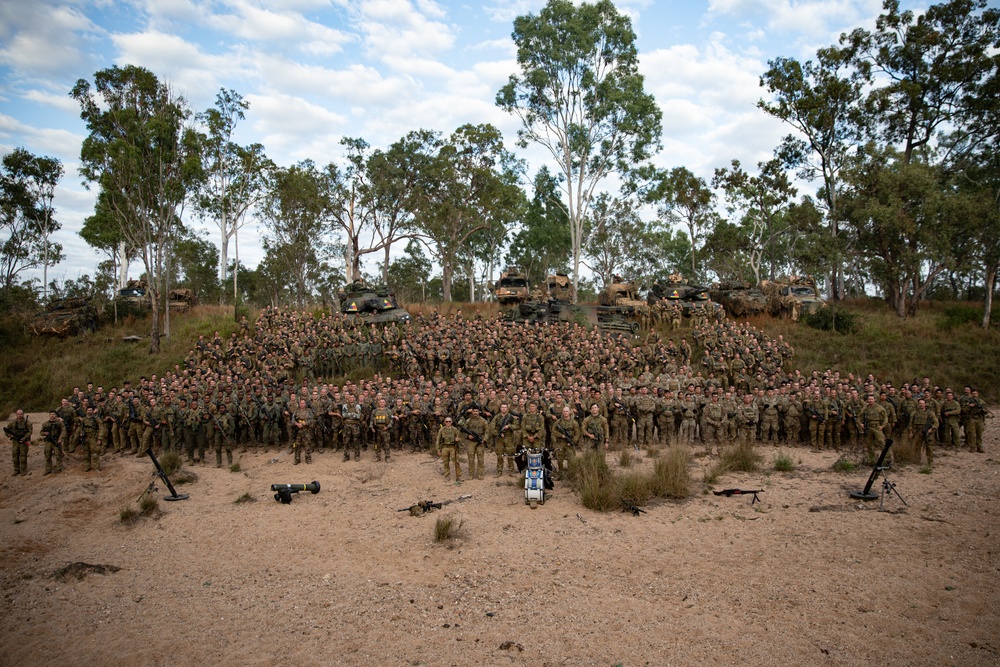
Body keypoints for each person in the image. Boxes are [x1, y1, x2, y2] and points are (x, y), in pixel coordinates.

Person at [5, 409, 32, 476]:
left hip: (23, 442)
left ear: (23, 414)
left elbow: (30, 432)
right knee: (15, 456)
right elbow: (6, 430)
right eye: (18, 414)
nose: (20, 415)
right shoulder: (13, 423)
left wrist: (24, 438)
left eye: (21, 414)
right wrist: (9, 435)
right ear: (16, 414)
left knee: (23, 457)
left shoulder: (27, 423)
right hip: (15, 442)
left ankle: (23, 470)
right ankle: (16, 470)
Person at [436, 416, 462, 483]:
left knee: (456, 462)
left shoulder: (455, 430)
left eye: (449, 421)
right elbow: (438, 440)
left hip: (453, 447)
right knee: (445, 462)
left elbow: (459, 438)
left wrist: (458, 440)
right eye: (446, 421)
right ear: (444, 422)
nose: (448, 423)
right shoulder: (441, 430)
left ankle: (458, 476)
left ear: (451, 422)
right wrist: (438, 450)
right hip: (444, 447)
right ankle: (447, 475)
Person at [40, 410, 64, 475]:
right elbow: (41, 432)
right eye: (51, 414)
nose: (52, 416)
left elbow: (63, 431)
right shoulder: (45, 424)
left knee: (58, 455)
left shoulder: (59, 423)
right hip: (48, 442)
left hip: (56, 441)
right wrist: (44, 433)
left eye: (53, 414)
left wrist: (60, 439)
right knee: (47, 455)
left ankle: (59, 468)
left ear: (56, 415)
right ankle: (48, 469)